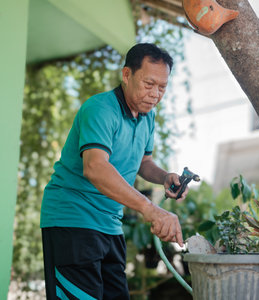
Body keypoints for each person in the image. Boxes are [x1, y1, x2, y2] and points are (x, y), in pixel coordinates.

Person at [40, 43, 186, 299]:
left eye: (162, 87)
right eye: (148, 84)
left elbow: (143, 162)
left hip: (109, 223)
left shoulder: (147, 116)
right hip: (72, 219)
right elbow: (95, 168)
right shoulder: (100, 109)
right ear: (127, 75)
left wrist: (164, 177)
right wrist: (150, 210)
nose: (155, 94)